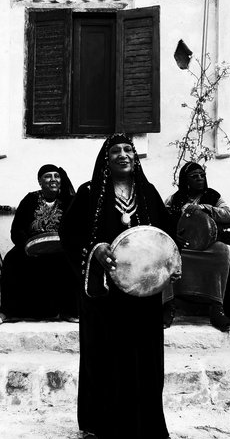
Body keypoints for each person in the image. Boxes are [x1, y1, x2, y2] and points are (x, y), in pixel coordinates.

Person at [59, 133, 173, 439]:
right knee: (106, 355)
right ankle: (104, 424)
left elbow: (166, 236)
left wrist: (170, 266)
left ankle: (144, 424)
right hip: (104, 295)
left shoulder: (148, 194)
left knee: (144, 357)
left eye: (128, 150)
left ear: (135, 158)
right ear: (106, 159)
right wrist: (95, 250)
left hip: (142, 295)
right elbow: (69, 235)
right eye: (115, 151)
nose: (123, 154)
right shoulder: (88, 193)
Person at [0, 164, 78, 325]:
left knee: (71, 261)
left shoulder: (69, 200)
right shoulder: (30, 199)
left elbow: (75, 227)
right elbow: (17, 228)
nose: (53, 179)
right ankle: (7, 312)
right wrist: (27, 246)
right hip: (31, 246)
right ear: (40, 181)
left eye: (56, 176)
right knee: (12, 260)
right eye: (47, 176)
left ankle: (68, 311)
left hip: (60, 248)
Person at [162, 161, 230, 332]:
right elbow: (161, 220)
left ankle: (217, 307)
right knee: (166, 252)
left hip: (206, 247)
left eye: (202, 175)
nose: (200, 178)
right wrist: (174, 236)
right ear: (185, 180)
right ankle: (168, 306)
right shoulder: (174, 199)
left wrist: (205, 208)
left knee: (221, 250)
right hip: (183, 247)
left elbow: (228, 215)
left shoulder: (213, 196)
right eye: (194, 176)